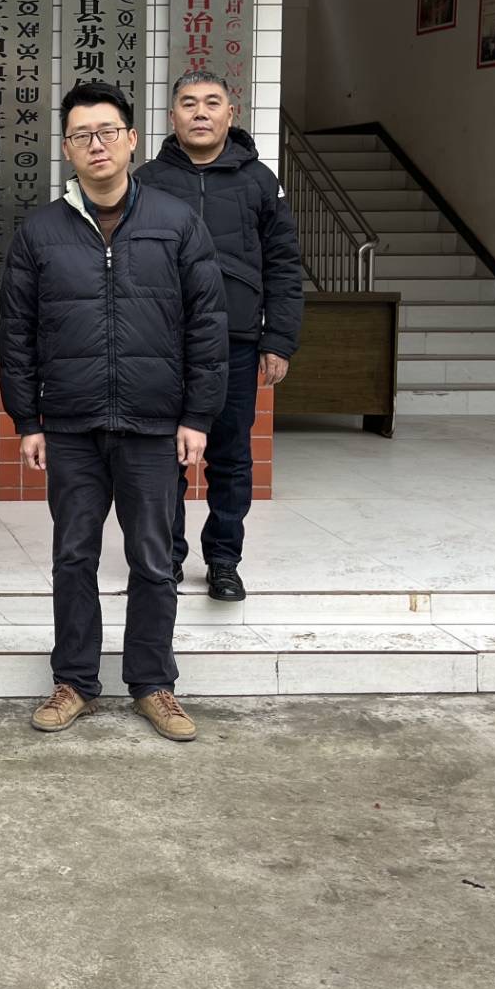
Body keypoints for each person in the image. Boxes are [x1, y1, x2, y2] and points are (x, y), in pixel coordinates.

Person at [0, 82, 227, 744]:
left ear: (131, 139)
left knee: (153, 558)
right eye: (81, 135)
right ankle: (74, 680)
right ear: (67, 148)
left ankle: (153, 683)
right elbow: (18, 335)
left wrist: (197, 417)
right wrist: (28, 420)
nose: (95, 145)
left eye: (107, 132)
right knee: (73, 555)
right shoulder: (40, 232)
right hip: (70, 425)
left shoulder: (176, 222)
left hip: (154, 424)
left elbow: (207, 326)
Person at [135, 72, 304, 601]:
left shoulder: (260, 181)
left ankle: (224, 560)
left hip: (236, 341)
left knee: (230, 457)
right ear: (172, 117)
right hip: (163, 345)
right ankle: (166, 558)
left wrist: (279, 339)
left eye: (212, 103)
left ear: (232, 114)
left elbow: (284, 264)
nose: (201, 112)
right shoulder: (147, 180)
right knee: (163, 457)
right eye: (189, 104)